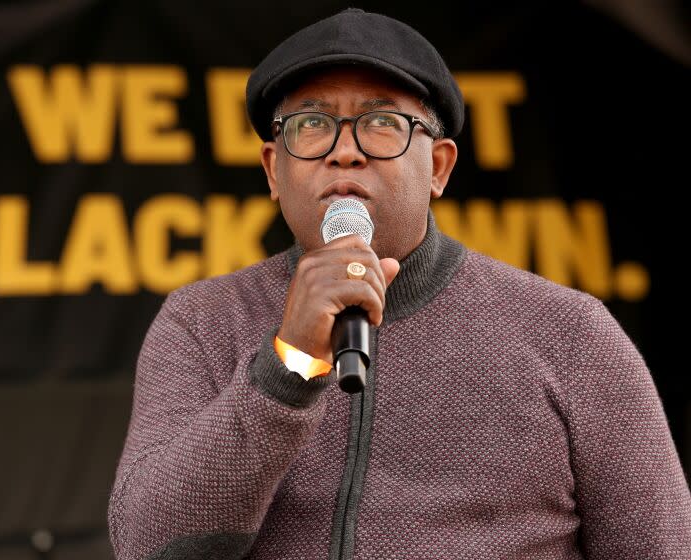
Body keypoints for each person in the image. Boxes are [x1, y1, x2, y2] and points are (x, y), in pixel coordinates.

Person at [108, 8, 691, 559]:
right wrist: (290, 365)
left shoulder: (569, 335)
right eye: (311, 124)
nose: (343, 152)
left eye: (381, 123)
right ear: (272, 171)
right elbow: (146, 543)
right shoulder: (202, 320)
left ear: (438, 166)